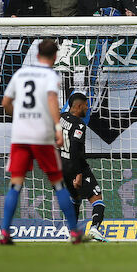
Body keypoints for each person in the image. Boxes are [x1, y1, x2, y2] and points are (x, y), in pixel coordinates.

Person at [0, 39, 83, 245]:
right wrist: (57, 128)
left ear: (37, 53)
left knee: (15, 185)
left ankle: (4, 232)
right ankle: (73, 232)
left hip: (20, 135)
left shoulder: (20, 74)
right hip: (41, 136)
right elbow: (52, 102)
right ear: (55, 56)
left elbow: (5, 103)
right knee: (57, 184)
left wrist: (19, 115)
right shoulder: (49, 75)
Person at [60, 92, 107, 242]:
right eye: (86, 105)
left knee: (76, 198)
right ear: (79, 106)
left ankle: (73, 233)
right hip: (76, 167)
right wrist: (79, 173)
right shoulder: (79, 125)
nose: (87, 108)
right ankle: (94, 229)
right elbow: (75, 149)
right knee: (97, 198)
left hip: (61, 168)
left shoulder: (59, 119)